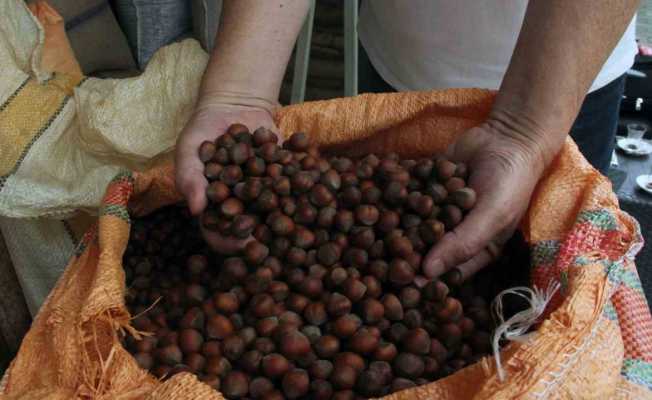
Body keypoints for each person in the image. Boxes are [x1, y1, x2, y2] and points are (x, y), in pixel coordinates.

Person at [175, 1, 639, 282]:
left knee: (533, 278)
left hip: (566, 72)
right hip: (402, 51)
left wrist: (526, 131)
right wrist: (240, 89)